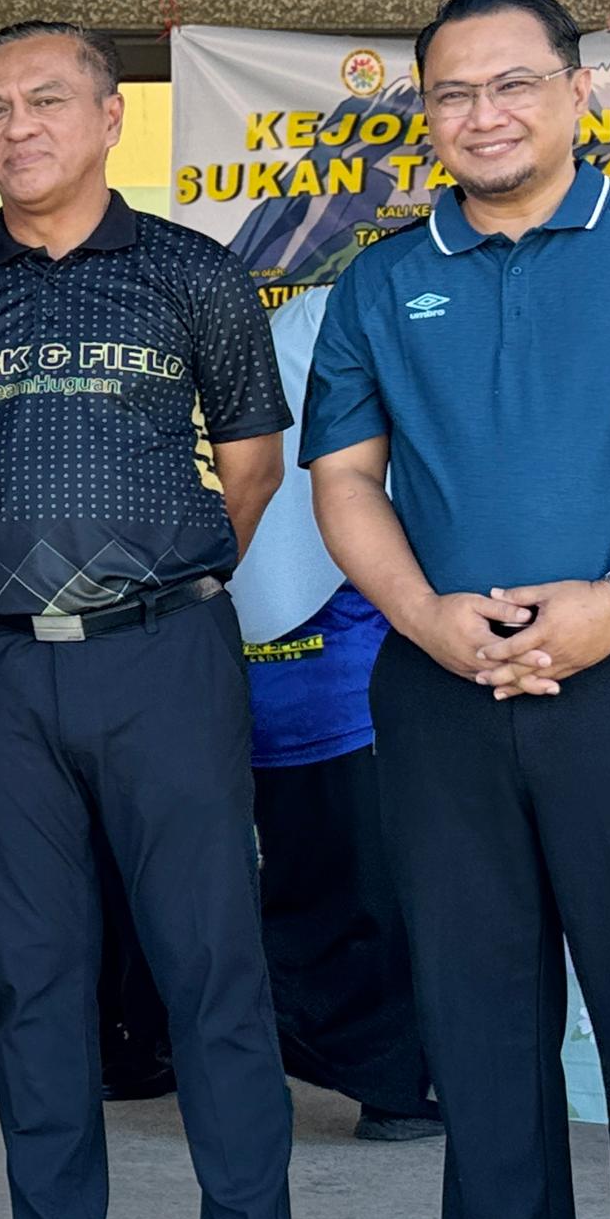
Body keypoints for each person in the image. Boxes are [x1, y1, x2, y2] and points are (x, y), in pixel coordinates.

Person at [0, 20, 296, 1219]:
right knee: (34, 976)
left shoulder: (194, 274)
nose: (19, 129)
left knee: (209, 964)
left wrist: (163, 579)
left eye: (47, 101)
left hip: (161, 656)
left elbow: (251, 466)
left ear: (111, 116)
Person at [304, 0, 610, 1219]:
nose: (482, 115)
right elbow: (345, 481)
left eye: (512, 85)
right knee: (478, 1017)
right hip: (443, 689)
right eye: (451, 93)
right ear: (423, 114)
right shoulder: (381, 281)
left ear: (578, 92)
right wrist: (426, 619)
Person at [231, 287, 435, 1143]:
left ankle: (300, 1059)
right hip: (353, 665)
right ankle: (389, 1083)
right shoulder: (355, 322)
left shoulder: (292, 333)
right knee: (373, 888)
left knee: (305, 877)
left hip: (274, 663)